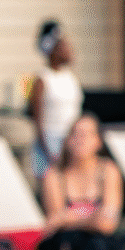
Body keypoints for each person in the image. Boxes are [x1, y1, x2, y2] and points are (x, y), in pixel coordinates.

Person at [39, 113, 124, 250]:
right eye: (75, 134)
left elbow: (108, 225)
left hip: (96, 243)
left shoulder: (108, 171)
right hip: (63, 244)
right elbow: (55, 221)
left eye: (86, 135)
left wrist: (71, 216)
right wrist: (91, 217)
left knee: (90, 243)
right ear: (67, 140)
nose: (79, 140)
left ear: (98, 141)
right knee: (79, 242)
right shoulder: (54, 175)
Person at [29, 20, 83, 181]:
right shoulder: (42, 79)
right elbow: (37, 121)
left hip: (71, 141)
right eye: (64, 46)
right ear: (52, 50)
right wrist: (49, 152)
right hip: (50, 142)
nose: (69, 50)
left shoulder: (71, 77)